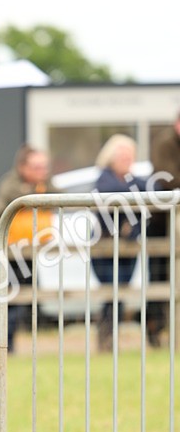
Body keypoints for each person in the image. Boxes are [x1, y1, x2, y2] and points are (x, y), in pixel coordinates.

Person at [0, 146, 57, 351]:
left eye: (44, 167)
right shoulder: (11, 183)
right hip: (6, 253)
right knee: (9, 300)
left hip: (28, 252)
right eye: (37, 167)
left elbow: (60, 196)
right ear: (22, 167)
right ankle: (1, 344)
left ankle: (9, 345)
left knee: (26, 297)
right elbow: (14, 197)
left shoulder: (45, 184)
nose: (42, 172)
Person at [91, 135, 144, 351]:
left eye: (129, 155)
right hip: (104, 248)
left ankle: (110, 340)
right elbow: (111, 194)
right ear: (110, 157)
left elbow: (154, 189)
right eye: (122, 155)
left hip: (128, 248)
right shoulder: (104, 179)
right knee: (110, 293)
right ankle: (106, 339)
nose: (126, 159)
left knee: (121, 293)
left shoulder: (133, 181)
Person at [147, 112, 180, 346]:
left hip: (174, 218)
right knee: (159, 276)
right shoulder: (165, 142)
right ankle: (154, 327)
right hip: (161, 219)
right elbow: (167, 178)